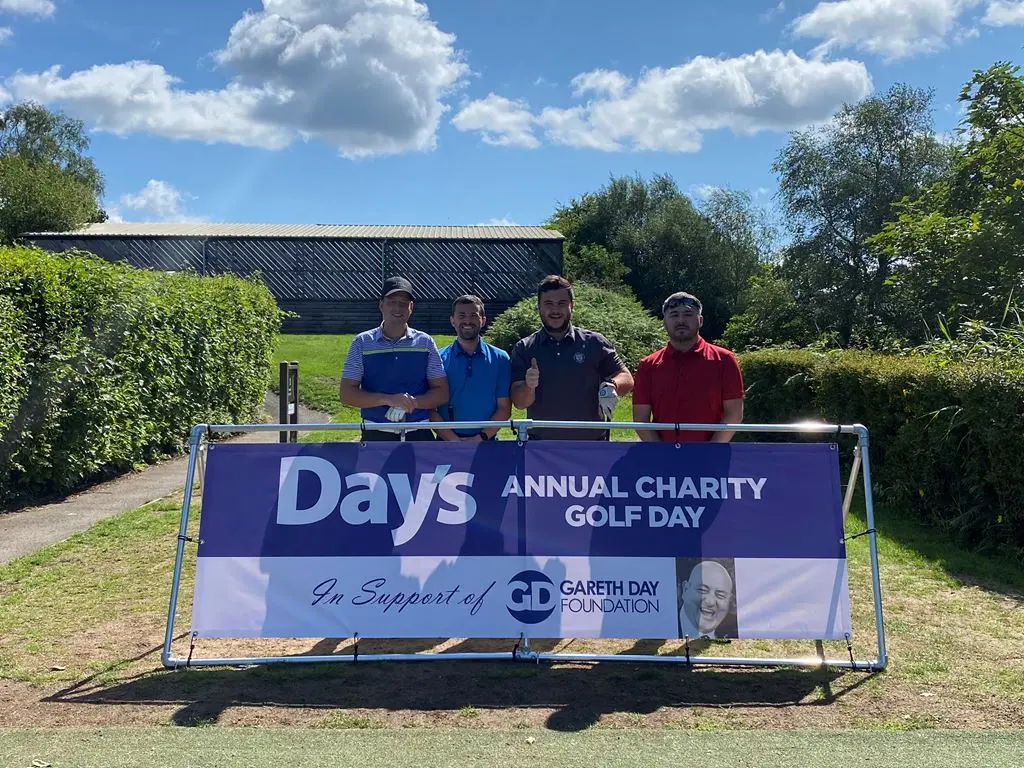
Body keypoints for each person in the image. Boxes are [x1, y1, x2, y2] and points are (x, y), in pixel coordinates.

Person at [510, 275, 633, 440]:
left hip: (591, 445)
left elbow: (627, 378)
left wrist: (612, 385)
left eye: (562, 303)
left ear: (572, 306)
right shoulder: (524, 348)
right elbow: (519, 403)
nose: (555, 310)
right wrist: (529, 386)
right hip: (541, 450)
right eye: (548, 304)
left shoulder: (594, 342)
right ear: (539, 307)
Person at [339, 276, 448, 441]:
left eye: (404, 303)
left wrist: (411, 403)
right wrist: (388, 399)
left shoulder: (425, 342)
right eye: (392, 302)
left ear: (411, 307)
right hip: (375, 434)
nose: (398, 307)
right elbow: (347, 394)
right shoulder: (362, 342)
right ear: (381, 305)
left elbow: (441, 392)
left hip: (418, 433)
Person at [633, 291, 744, 443]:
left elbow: (734, 414)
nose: (681, 320)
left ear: (701, 320)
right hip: (662, 458)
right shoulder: (648, 365)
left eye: (688, 314)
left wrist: (710, 452)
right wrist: (660, 453)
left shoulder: (725, 360)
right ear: (664, 322)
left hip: (712, 458)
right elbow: (640, 419)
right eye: (674, 315)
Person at [431, 295, 512, 441]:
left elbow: (504, 408)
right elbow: (430, 410)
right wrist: (454, 440)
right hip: (446, 443)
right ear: (452, 320)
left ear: (483, 320)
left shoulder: (500, 358)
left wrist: (480, 438)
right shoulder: (438, 358)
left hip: (487, 443)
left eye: (473, 316)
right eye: (461, 316)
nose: (467, 321)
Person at [677, 560, 737, 639]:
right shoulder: (662, 624)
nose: (710, 602)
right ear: (686, 590)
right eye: (702, 590)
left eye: (720, 595)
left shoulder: (737, 630)